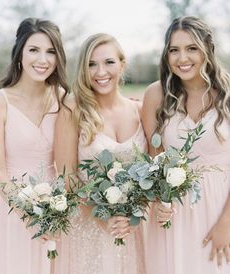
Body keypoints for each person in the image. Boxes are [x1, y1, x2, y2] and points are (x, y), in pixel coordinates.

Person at [142, 16, 230, 274]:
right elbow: (153, 160)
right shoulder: (155, 95)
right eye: (174, 50)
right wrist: (159, 202)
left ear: (207, 49)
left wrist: (226, 222)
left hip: (220, 210)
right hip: (172, 219)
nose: (182, 58)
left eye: (192, 48)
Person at [54, 33, 147, 274]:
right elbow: (68, 176)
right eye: (91, 64)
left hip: (131, 229)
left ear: (122, 64)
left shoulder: (140, 110)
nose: (100, 72)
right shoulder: (73, 109)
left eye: (108, 62)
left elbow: (154, 170)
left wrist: (134, 213)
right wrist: (101, 218)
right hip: (88, 228)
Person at [0, 17, 70, 274]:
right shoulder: (0, 102)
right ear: (19, 54)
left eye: (51, 51)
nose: (43, 59)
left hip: (55, 208)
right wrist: (29, 215)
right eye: (34, 50)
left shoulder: (64, 99)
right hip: (10, 207)